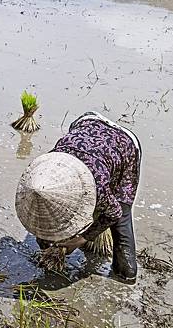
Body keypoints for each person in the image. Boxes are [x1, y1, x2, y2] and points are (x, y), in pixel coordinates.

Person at [15, 111, 141, 284]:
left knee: (122, 226)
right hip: (84, 125)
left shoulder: (96, 181)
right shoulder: (43, 172)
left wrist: (80, 240)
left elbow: (114, 213)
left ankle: (125, 276)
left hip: (123, 145)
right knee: (47, 230)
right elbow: (43, 220)